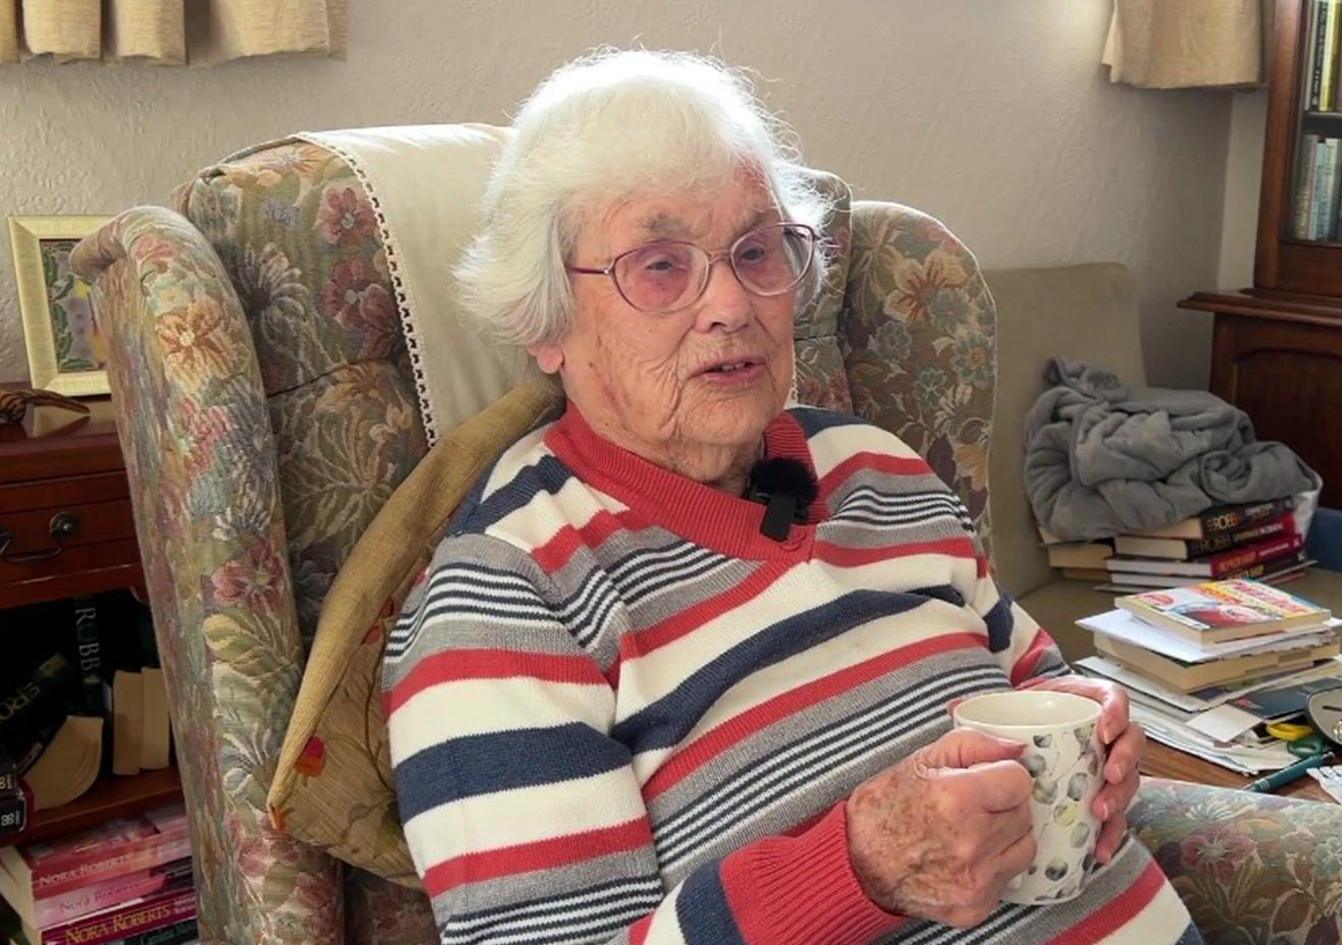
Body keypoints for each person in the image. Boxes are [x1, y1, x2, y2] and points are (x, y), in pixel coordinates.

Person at [382, 48, 1202, 945]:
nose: (732, 302)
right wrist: (858, 870)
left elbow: (1036, 681)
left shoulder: (875, 466)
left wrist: (1106, 741)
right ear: (545, 321)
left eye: (756, 249)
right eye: (660, 265)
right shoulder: (507, 600)